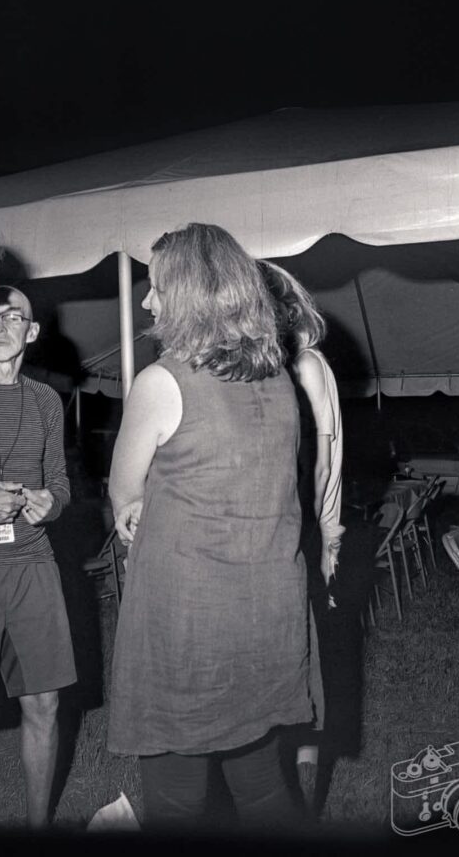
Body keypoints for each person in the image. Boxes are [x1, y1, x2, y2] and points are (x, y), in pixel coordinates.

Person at [106, 223, 322, 830]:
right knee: (262, 790)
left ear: (192, 293)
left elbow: (124, 491)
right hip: (266, 619)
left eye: (156, 288)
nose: (147, 302)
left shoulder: (161, 381)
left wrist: (131, 508)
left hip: (188, 630)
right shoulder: (280, 381)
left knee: (176, 803)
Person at [0, 286, 75, 827]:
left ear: (32, 332)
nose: (2, 327)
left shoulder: (47, 401)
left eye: (14, 318)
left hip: (32, 565)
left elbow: (63, 485)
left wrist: (50, 506)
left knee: (43, 704)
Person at [259, 260, 342, 807]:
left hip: (303, 537)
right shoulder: (261, 370)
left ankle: (301, 809)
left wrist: (324, 538)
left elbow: (323, 462)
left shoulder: (305, 364)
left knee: (302, 674)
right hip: (274, 538)